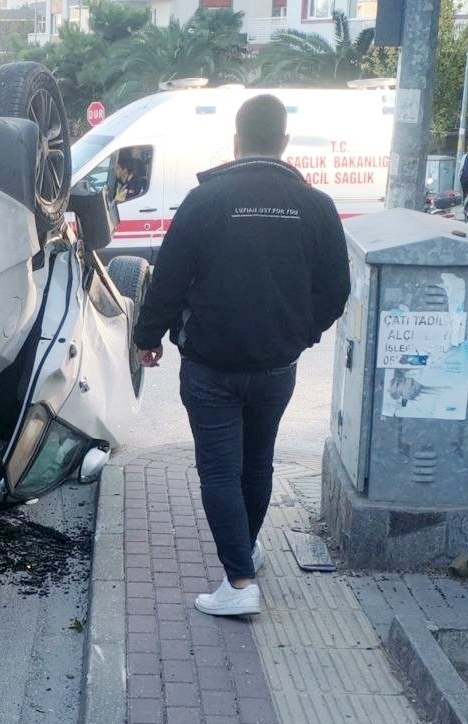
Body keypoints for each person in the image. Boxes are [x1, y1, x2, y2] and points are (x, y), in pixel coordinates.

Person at [132, 94, 350, 617]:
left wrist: (148, 337)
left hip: (211, 366)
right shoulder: (316, 205)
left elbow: (169, 279)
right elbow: (336, 290)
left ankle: (239, 580)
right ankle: (244, 551)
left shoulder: (205, 201)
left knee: (220, 472)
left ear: (236, 141)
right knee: (256, 464)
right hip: (277, 366)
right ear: (283, 142)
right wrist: (301, 334)